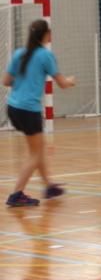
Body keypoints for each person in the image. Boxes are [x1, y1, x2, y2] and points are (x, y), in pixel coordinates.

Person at [3, 19, 76, 207]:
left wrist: (23, 82)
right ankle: (16, 194)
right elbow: (62, 83)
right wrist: (70, 81)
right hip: (28, 110)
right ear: (45, 34)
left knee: (38, 149)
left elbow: (6, 81)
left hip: (13, 107)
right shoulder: (45, 55)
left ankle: (49, 186)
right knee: (35, 154)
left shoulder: (19, 53)